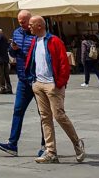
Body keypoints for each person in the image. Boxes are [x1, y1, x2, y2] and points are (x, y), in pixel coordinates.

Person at [25, 15, 85, 164]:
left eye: (31, 24)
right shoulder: (34, 41)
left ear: (40, 25)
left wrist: (59, 83)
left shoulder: (54, 41)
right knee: (45, 117)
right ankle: (51, 151)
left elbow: (64, 63)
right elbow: (31, 61)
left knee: (59, 116)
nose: (29, 27)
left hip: (53, 84)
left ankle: (77, 143)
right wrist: (32, 80)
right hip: (38, 84)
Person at [0, 9, 46, 158]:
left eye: (25, 21)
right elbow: (12, 53)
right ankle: (12, 144)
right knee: (18, 110)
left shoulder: (38, 35)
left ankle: (46, 145)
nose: (23, 24)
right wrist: (13, 49)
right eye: (20, 22)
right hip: (23, 79)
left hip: (38, 79)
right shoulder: (17, 33)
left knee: (43, 114)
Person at [0, 28, 13, 94]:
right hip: (5, 58)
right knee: (6, 74)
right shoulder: (4, 37)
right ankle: (9, 88)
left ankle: (2, 88)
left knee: (0, 74)